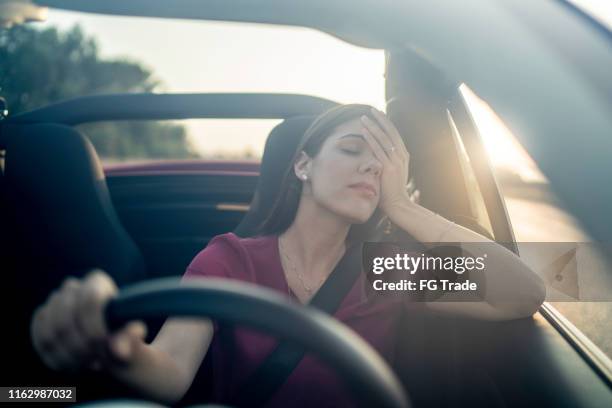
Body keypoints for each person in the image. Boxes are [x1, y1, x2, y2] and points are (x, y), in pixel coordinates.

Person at [30, 104, 546, 407]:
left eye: (384, 164)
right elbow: (170, 368)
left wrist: (402, 206)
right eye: (351, 150)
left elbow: (523, 293)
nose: (371, 169)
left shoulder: (385, 269)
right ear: (303, 165)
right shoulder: (230, 261)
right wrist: (121, 351)